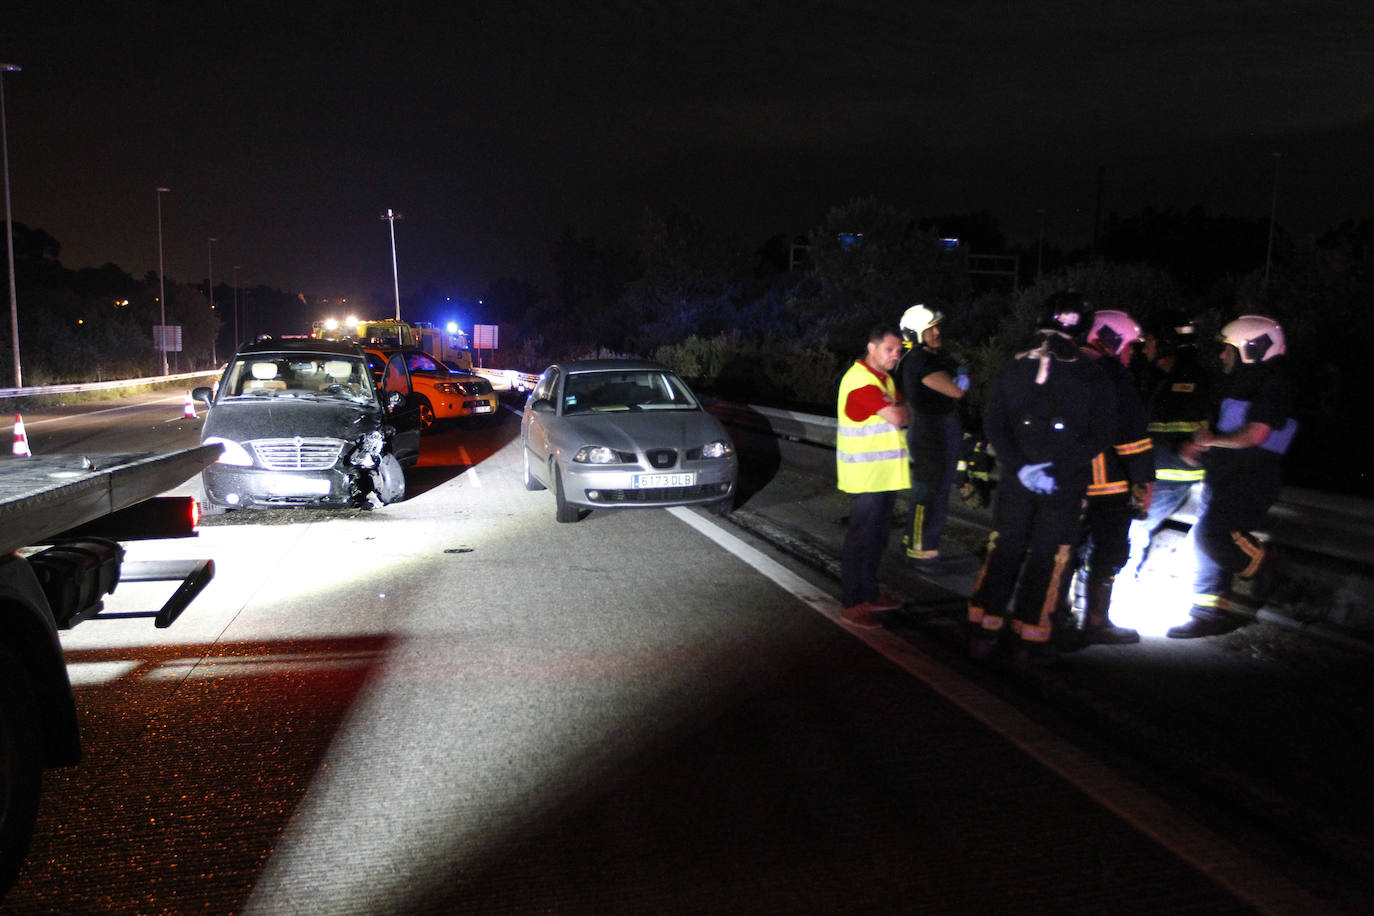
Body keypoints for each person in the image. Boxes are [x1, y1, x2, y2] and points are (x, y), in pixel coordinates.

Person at [968, 291, 1115, 662]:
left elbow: (994, 424)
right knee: (1050, 556)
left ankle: (984, 628)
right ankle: (1029, 637)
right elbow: (1101, 433)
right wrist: (1056, 470)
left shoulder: (1014, 367)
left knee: (1006, 546)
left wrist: (1020, 467)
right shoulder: (1091, 372)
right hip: (1062, 481)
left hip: (1020, 477)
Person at [1167, 315, 1296, 638]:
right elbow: (1221, 427)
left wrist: (1211, 441)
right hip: (1224, 477)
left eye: (1228, 349)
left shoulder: (1274, 385)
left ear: (1252, 349)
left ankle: (1265, 563)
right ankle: (1207, 614)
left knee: (1211, 536)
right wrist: (1199, 444)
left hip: (1250, 479)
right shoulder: (1238, 381)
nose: (1222, 355)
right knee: (1203, 541)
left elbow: (1256, 435)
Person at [1067, 309, 1154, 645]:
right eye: (1130, 346)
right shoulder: (1112, 376)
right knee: (1110, 550)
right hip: (1107, 483)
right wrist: (1145, 481)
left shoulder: (1066, 368)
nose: (1132, 354)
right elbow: (1130, 436)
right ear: (1112, 342)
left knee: (1065, 549)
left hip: (1066, 480)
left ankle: (1053, 617)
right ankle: (1096, 620)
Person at [836, 324, 912, 629]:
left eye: (899, 351)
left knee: (877, 539)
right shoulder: (861, 382)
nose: (895, 356)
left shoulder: (885, 382)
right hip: (866, 477)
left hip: (884, 476)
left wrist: (901, 407)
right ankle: (853, 603)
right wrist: (900, 408)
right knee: (862, 541)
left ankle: (869, 592)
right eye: (889, 349)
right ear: (872, 347)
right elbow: (899, 416)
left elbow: (903, 411)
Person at [1126, 314, 1210, 577]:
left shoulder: (1192, 383)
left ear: (1167, 344)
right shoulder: (1157, 379)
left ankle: (1119, 584)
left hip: (1171, 475)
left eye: (1151, 341)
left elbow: (1194, 444)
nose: (1146, 347)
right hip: (1155, 472)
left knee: (1134, 530)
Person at [897, 304, 969, 562]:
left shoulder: (936, 357)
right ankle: (919, 546)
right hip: (929, 433)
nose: (937, 333)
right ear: (916, 333)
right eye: (930, 330)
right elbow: (955, 390)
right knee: (928, 491)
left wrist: (959, 371)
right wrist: (960, 376)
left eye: (937, 328)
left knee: (937, 491)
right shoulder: (919, 360)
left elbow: (957, 369)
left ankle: (921, 541)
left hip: (940, 429)